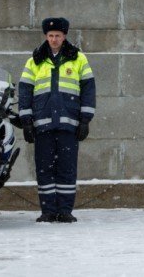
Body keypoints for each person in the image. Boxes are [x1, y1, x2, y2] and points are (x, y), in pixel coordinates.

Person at [18, 17, 96, 223]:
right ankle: (48, 211)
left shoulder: (78, 58)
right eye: (50, 36)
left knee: (66, 169)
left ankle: (65, 210)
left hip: (68, 124)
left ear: (64, 36)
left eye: (58, 36)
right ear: (46, 36)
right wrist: (26, 120)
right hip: (42, 124)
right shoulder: (34, 59)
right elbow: (25, 90)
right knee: (44, 169)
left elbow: (88, 89)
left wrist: (85, 120)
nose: (54, 39)